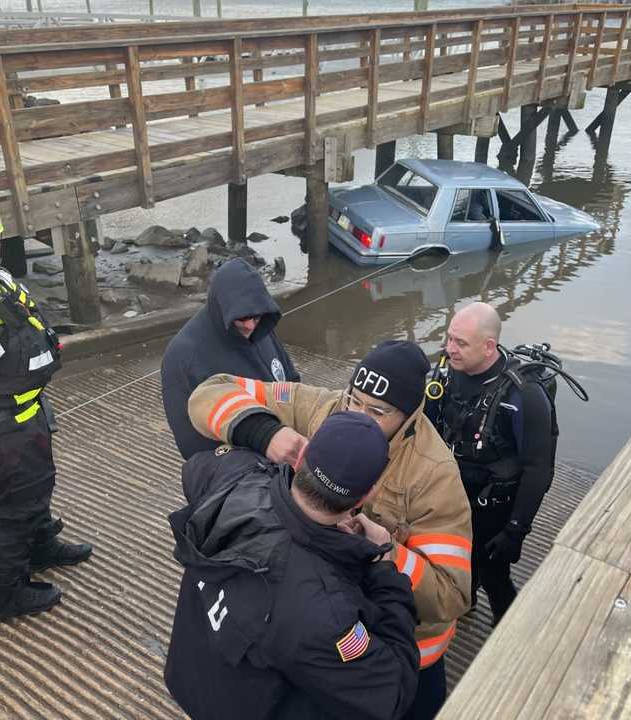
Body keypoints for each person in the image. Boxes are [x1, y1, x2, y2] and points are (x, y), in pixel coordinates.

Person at [187, 339, 473, 720]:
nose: (357, 415)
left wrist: (389, 553)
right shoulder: (323, 406)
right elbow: (210, 391)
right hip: (325, 641)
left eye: (377, 411)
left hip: (406, 652)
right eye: (354, 400)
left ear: (409, 415)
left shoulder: (434, 473)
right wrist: (264, 433)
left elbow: (452, 595)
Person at [164, 412, 419, 720]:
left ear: (300, 459)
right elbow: (391, 694)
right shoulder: (326, 614)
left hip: (191, 675)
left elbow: (195, 469)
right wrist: (383, 570)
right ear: (366, 496)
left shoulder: (237, 474)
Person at [0, 200, 93, 619]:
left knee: (37, 486)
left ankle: (41, 545)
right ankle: (2, 594)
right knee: (18, 506)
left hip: (27, 410)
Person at [425, 302, 553, 625]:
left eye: (460, 343)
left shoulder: (525, 397)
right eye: (449, 338)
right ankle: (463, 607)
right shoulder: (446, 373)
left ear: (489, 347)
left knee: (494, 574)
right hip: (452, 494)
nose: (449, 349)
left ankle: (506, 628)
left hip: (495, 507)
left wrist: (516, 530)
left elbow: (539, 469)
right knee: (455, 565)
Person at [161, 257, 300, 459]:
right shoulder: (182, 358)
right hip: (242, 471)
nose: (250, 325)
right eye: (242, 318)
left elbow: (291, 382)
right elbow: (194, 448)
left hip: (288, 452)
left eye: (256, 316)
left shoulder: (262, 328)